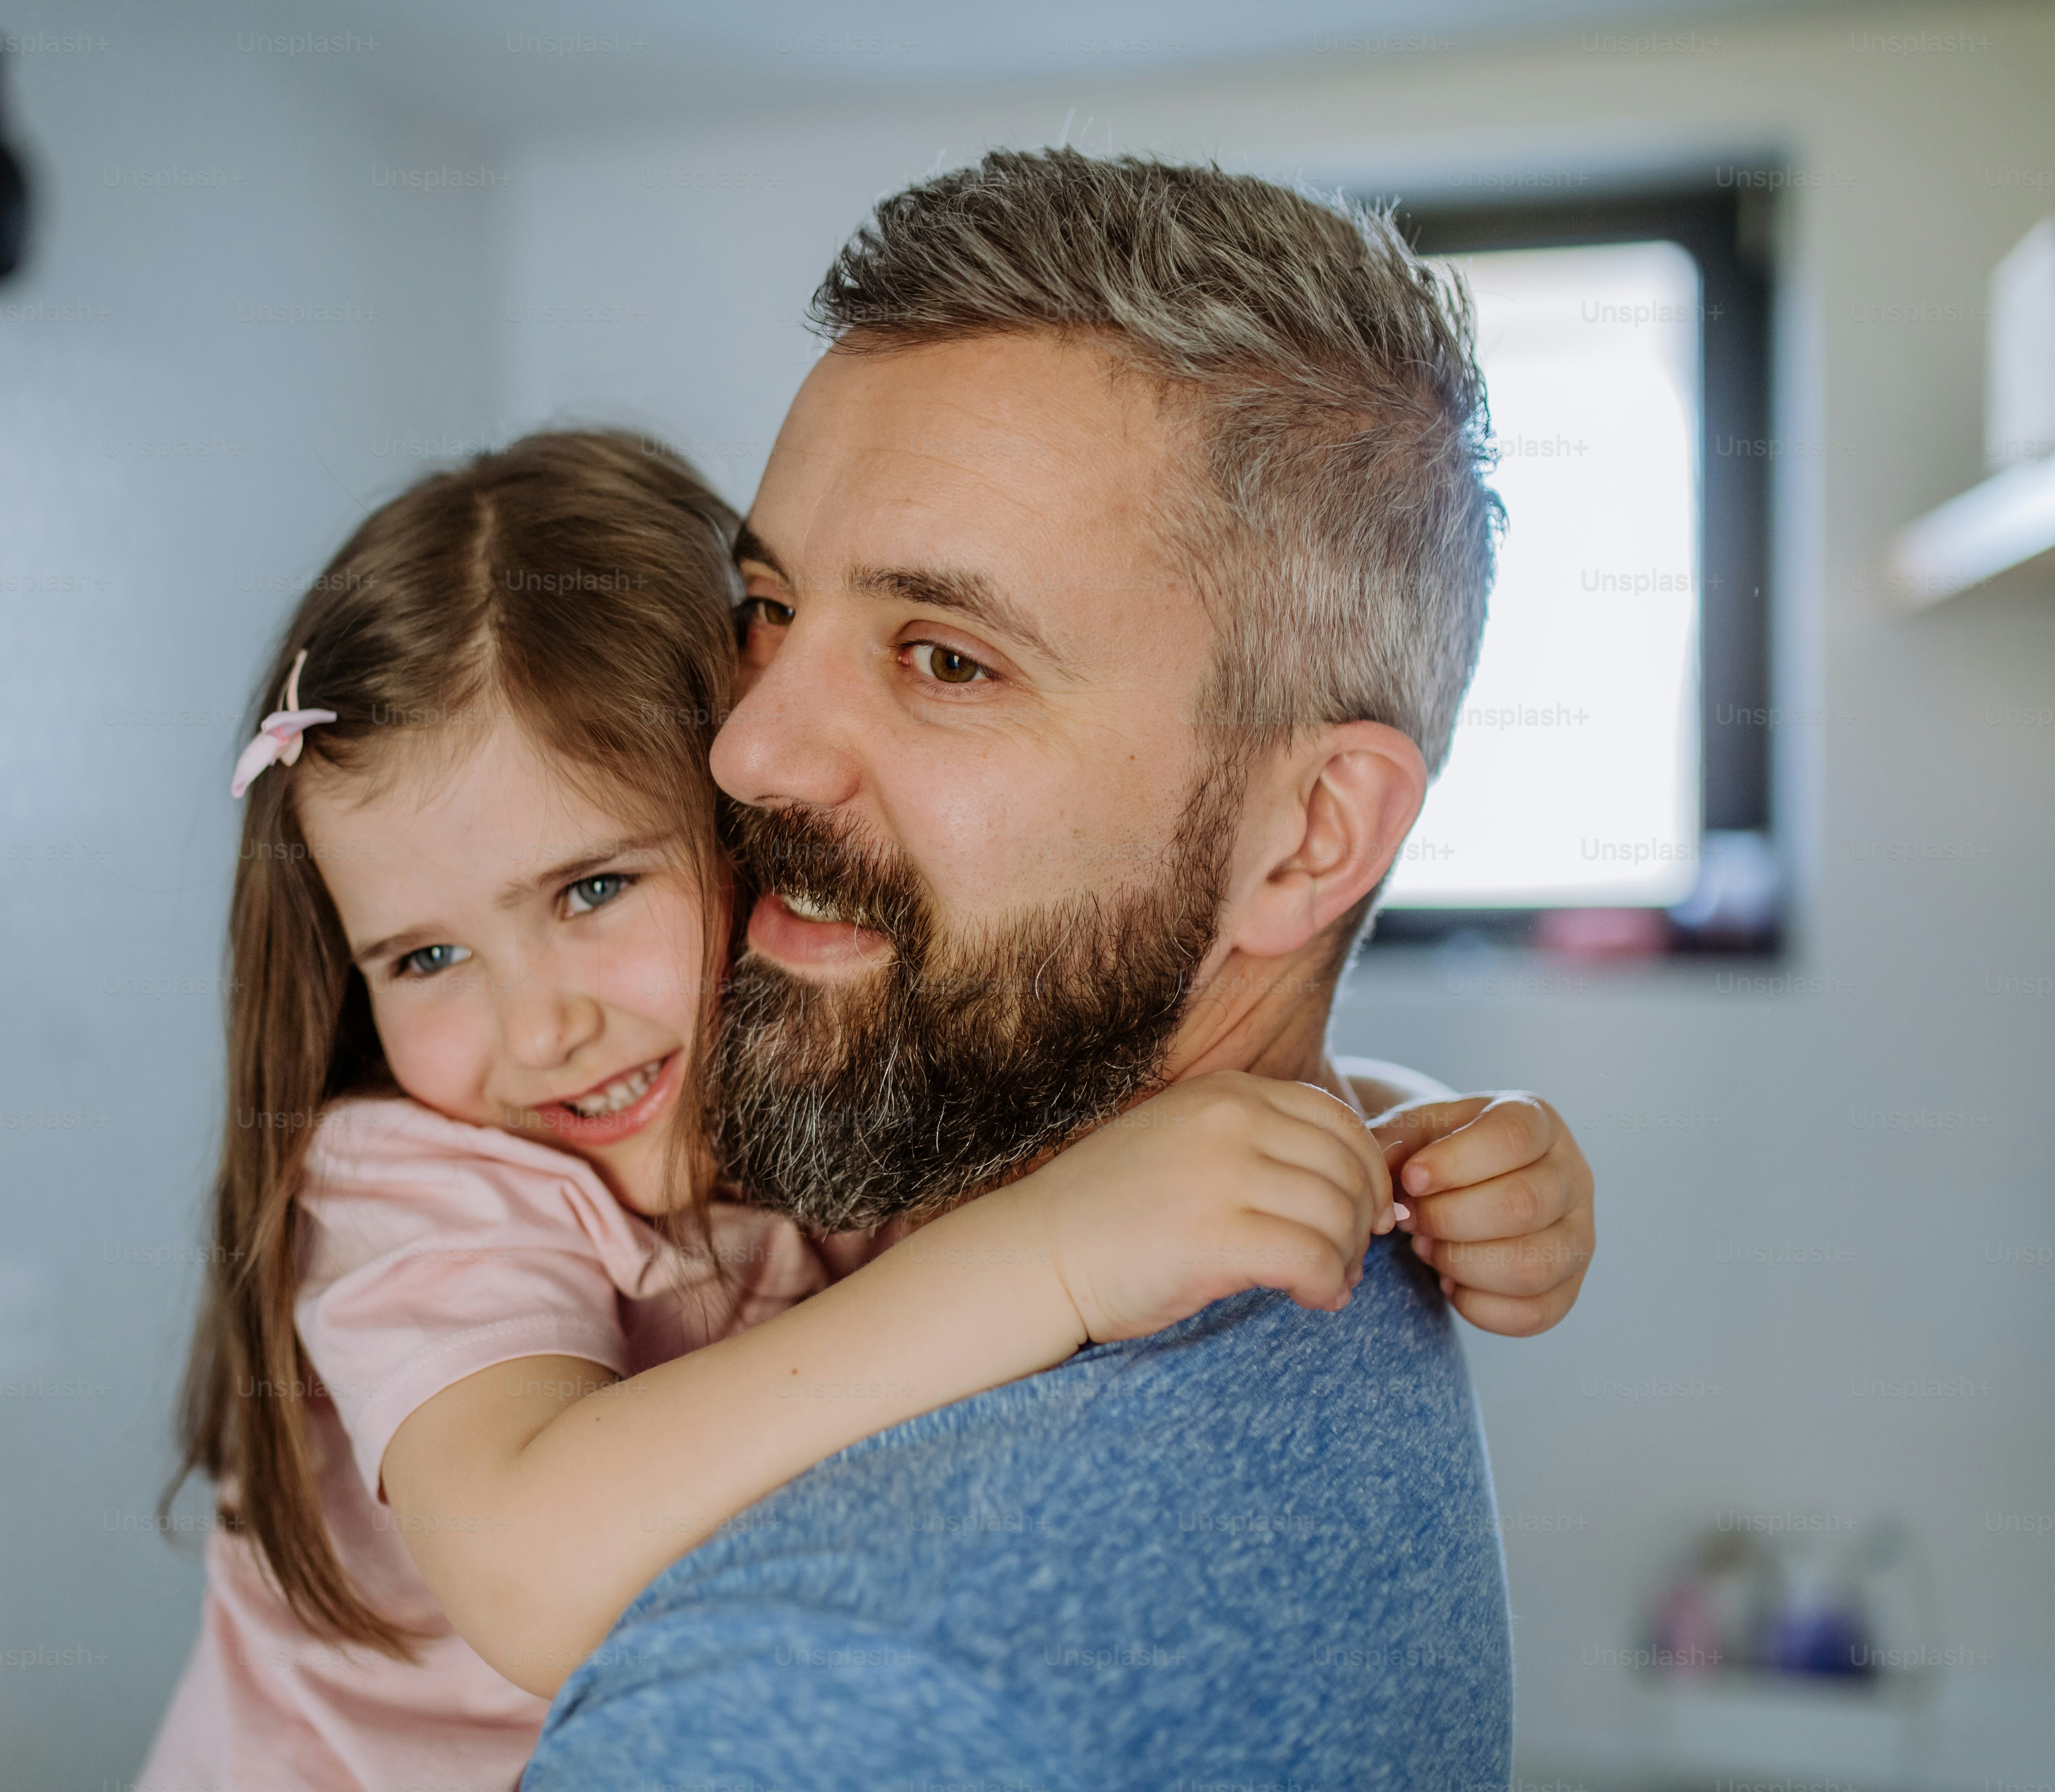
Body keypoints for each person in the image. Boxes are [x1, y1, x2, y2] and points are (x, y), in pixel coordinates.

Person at [138, 430, 1593, 1790]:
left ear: (754, 830)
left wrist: (1417, 1135)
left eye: (592, 891)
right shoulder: (411, 1178)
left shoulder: (817, 1080)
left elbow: (1137, 1117)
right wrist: (1054, 1253)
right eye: (427, 957)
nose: (536, 1026)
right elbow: (529, 1566)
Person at [526, 151, 1580, 1787]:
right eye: (767, 605)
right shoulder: (1320, 1277)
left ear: (1311, 836)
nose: (747, 753)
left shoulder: (810, 1698)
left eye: (947, 659)